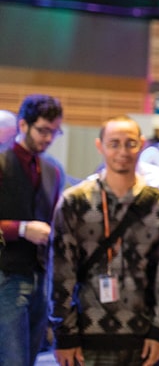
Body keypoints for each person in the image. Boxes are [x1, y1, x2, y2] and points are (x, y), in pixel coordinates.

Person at [49, 116, 159, 366]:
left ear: (141, 145)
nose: (122, 152)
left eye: (130, 143)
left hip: (143, 335)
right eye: (114, 143)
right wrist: (63, 335)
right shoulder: (76, 201)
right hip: (86, 335)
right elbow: (61, 272)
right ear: (100, 146)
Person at [0, 95, 64, 366]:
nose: (48, 138)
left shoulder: (52, 171)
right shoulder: (2, 164)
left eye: (54, 131)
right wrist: (22, 229)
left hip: (40, 277)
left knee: (28, 359)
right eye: (43, 130)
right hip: (6, 276)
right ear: (23, 125)